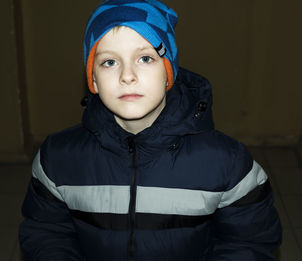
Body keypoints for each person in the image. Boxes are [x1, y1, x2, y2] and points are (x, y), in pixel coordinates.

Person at [19, 0, 282, 260]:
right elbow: (47, 233)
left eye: (145, 58)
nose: (127, 75)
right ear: (93, 80)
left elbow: (249, 243)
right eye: (109, 62)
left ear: (169, 72)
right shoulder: (56, 159)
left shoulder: (229, 164)